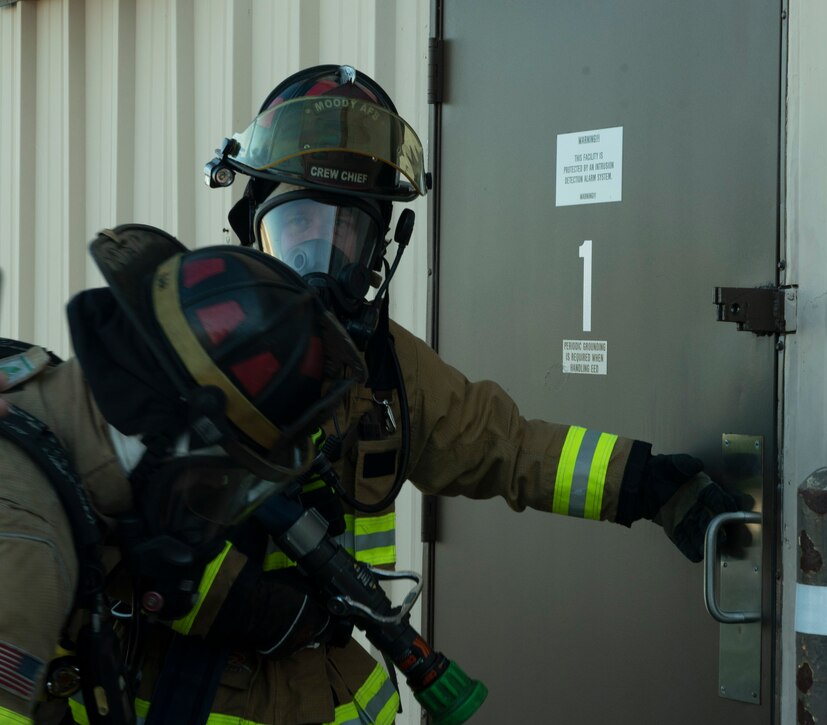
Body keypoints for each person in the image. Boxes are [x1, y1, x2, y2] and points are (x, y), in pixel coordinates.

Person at [196, 63, 757, 722]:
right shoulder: (187, 346)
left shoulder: (381, 365)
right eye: (298, 231)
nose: (322, 261)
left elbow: (506, 445)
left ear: (379, 246)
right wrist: (234, 598)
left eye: (347, 231)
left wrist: (650, 484)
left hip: (332, 696)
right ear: (252, 232)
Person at [0, 224, 369, 724]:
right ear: (177, 437)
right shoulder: (27, 552)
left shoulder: (40, 403)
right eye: (221, 483)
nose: (212, 513)